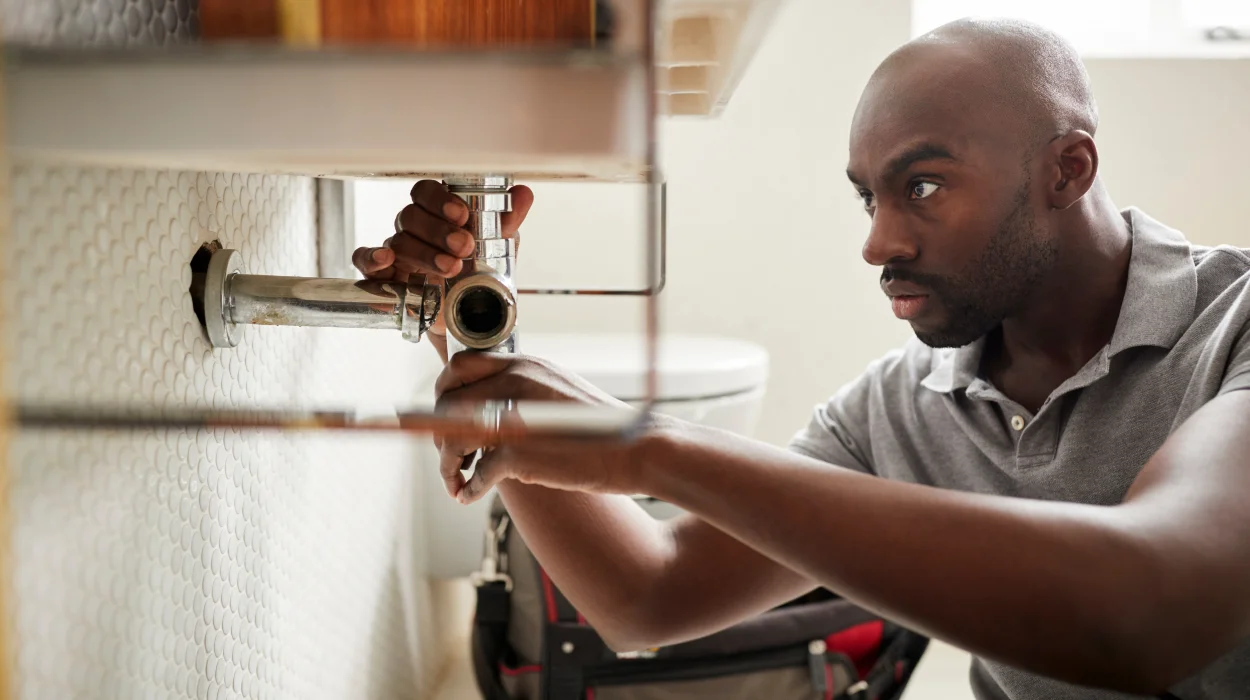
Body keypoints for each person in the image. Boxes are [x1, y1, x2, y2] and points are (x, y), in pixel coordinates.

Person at [353, 18, 1250, 700]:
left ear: (1067, 170)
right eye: (868, 198)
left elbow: (1152, 613)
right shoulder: (904, 406)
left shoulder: (1237, 327)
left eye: (923, 186)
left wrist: (645, 448)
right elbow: (647, 597)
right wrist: (478, 328)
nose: (878, 242)